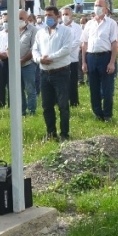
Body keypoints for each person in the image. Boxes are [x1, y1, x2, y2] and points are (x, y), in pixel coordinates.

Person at [33, 7, 72, 141]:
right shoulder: (40, 33)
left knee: (63, 105)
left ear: (58, 16)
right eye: (45, 15)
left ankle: (64, 134)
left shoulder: (66, 31)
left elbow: (66, 49)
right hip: (44, 73)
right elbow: (35, 50)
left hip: (61, 73)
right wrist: (40, 59)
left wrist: (50, 58)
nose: (47, 18)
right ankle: (51, 133)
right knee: (46, 105)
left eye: (50, 15)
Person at [81, 0, 118, 122]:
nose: (97, 7)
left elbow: (114, 43)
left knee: (107, 88)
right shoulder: (89, 24)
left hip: (105, 57)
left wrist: (112, 62)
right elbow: (84, 44)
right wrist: (84, 62)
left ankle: (107, 114)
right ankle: (97, 113)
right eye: (95, 5)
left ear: (105, 8)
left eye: (99, 5)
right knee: (93, 87)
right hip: (91, 57)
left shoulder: (111, 23)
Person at [15, 10, 39, 116]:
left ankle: (32, 111)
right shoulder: (13, 30)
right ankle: (22, 111)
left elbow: (33, 48)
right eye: (18, 18)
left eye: (21, 18)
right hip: (15, 66)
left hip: (28, 64)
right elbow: (8, 48)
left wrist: (22, 60)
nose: (19, 20)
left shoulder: (33, 30)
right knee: (18, 89)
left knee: (30, 89)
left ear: (27, 18)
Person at [61, 6, 82, 107]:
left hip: (72, 59)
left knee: (73, 82)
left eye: (67, 14)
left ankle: (74, 102)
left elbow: (77, 41)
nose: (65, 16)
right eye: (63, 14)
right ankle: (63, 101)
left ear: (71, 15)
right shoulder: (59, 27)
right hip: (61, 60)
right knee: (61, 82)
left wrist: (65, 50)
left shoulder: (77, 27)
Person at [0, 15, 10, 108]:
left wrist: (6, 54)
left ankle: (11, 104)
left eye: (7, 21)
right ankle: (1, 104)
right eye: (4, 21)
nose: (5, 23)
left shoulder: (14, 33)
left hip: (10, 60)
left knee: (10, 83)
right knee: (0, 82)